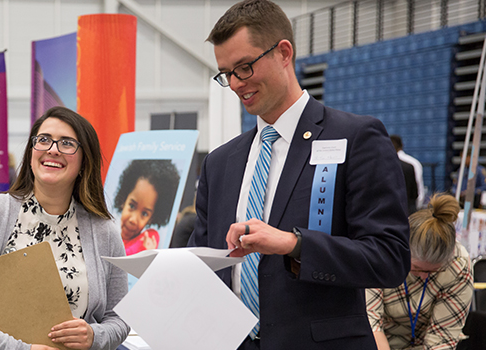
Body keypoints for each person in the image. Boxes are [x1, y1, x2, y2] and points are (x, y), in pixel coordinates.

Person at [188, 1, 411, 348]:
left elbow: (389, 258)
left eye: (244, 68)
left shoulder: (355, 138)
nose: (235, 84)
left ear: (284, 53)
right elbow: (203, 260)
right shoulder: (221, 163)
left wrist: (295, 245)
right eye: (226, 73)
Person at [0, 106, 129, 350]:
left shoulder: (103, 231)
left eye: (67, 143)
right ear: (31, 152)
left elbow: (120, 318)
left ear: (84, 160)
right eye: (44, 140)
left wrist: (94, 335)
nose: (53, 150)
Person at [366, 194, 473, 350]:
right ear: (403, 251)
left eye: (433, 271)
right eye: (416, 268)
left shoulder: (458, 265)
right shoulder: (382, 254)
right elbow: (370, 323)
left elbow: (442, 340)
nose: (424, 276)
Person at [112, 159, 180, 255]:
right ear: (123, 200)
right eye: (132, 206)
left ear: (152, 218)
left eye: (144, 213)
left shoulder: (148, 239)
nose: (133, 220)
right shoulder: (109, 234)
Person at [391, 135, 425, 209]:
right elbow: (419, 193)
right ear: (402, 145)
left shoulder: (383, 164)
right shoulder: (414, 162)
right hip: (409, 209)